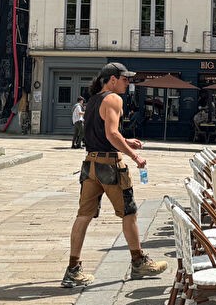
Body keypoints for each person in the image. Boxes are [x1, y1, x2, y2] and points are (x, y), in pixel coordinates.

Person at [63, 63, 167, 288]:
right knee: (129, 213)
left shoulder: (92, 101)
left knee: (83, 216)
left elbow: (103, 133)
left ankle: (73, 269)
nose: (127, 83)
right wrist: (134, 156)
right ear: (112, 79)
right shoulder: (113, 99)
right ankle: (138, 262)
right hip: (109, 166)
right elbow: (111, 133)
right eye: (125, 79)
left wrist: (125, 141)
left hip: (90, 165)